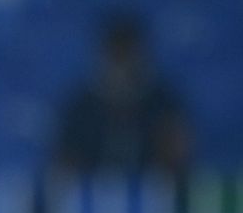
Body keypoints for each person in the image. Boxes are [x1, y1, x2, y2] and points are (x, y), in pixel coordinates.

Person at [52, 12, 191, 185]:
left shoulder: (163, 104)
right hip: (91, 204)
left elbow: (178, 166)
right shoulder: (81, 108)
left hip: (154, 204)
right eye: (116, 57)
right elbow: (63, 170)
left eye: (127, 57)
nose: (121, 69)